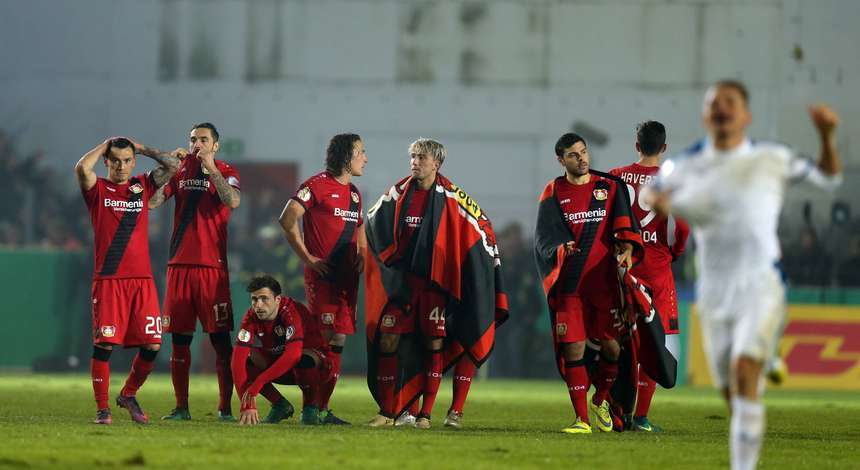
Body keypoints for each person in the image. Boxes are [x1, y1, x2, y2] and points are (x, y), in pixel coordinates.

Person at [650, 80, 842, 470]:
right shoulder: (686, 164)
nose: (721, 108)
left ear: (746, 115)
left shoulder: (771, 157)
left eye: (730, 102)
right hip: (714, 290)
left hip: (759, 282)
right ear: (705, 115)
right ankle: (767, 360)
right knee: (732, 391)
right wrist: (668, 202)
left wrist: (825, 136)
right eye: (713, 103)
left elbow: (829, 177)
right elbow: (651, 194)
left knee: (743, 372)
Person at [365, 138, 508, 429]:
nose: (415, 162)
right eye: (413, 156)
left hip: (435, 287)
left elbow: (481, 226)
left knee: (433, 344)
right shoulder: (398, 192)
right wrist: (388, 259)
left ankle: (425, 414)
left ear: (437, 164)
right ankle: (390, 409)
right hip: (404, 285)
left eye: (422, 157)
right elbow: (372, 220)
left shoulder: (453, 197)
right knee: (389, 340)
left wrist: (484, 264)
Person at [534, 132, 643, 434]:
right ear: (561, 160)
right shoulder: (553, 191)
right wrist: (559, 249)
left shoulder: (608, 187)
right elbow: (543, 237)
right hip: (570, 284)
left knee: (613, 349)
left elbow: (626, 227)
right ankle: (581, 420)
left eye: (583, 152)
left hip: (604, 284)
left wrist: (629, 249)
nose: (582, 158)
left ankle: (601, 400)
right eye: (573, 155)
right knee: (574, 350)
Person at [76, 136, 181, 424]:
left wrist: (144, 148)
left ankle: (128, 394)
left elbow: (175, 166)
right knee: (105, 345)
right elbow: (81, 168)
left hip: (142, 280)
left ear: (133, 162)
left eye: (126, 160)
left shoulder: (141, 186)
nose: (121, 166)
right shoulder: (97, 190)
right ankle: (102, 409)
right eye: (115, 161)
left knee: (153, 345)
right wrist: (105, 143)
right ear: (107, 162)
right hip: (109, 279)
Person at [150, 122, 242, 422]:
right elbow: (152, 202)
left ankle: (225, 408)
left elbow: (233, 200)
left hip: (212, 269)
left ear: (216, 145)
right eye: (193, 139)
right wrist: (166, 166)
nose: (197, 144)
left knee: (220, 342)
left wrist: (211, 169)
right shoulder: (181, 170)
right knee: (179, 340)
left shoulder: (227, 170)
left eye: (203, 139)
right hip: (179, 266)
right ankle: (181, 407)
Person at [278, 133, 368, 425]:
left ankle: (323, 409)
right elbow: (287, 218)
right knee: (323, 343)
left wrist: (363, 255)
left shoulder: (355, 193)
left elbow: (360, 229)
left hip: (346, 282)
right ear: (347, 156)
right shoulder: (315, 186)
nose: (365, 158)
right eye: (361, 153)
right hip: (323, 278)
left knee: (337, 342)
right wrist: (308, 259)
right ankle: (309, 409)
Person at [609, 121, 689, 431]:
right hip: (656, 268)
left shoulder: (616, 176)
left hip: (623, 268)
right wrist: (675, 251)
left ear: (637, 146)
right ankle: (640, 417)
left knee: (618, 341)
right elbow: (682, 227)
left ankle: (613, 410)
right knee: (656, 342)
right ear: (664, 148)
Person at [231, 275, 335, 426]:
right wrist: (246, 404)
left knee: (303, 360)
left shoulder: (291, 311)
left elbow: (293, 355)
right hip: (281, 365)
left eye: (264, 298)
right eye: (254, 299)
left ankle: (310, 407)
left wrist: (259, 382)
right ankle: (280, 405)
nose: (258, 305)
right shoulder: (251, 317)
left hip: (319, 369)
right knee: (248, 361)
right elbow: (236, 363)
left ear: (277, 299)